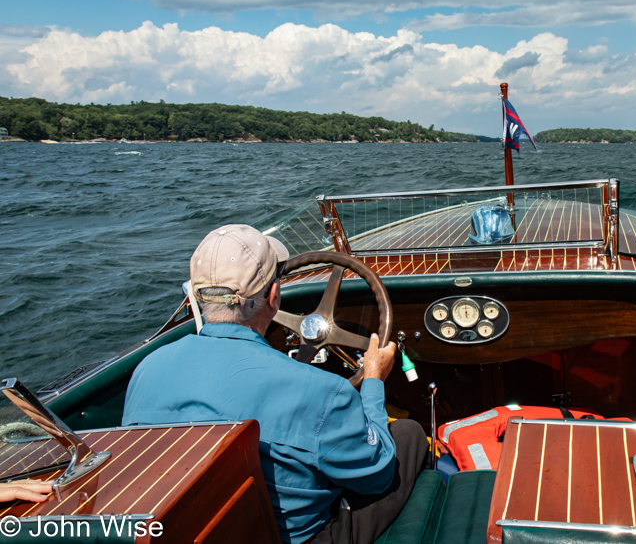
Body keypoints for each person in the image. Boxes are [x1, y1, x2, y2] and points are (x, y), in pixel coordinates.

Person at [122, 224, 427, 544]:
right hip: (302, 538)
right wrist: (374, 380)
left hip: (188, 532)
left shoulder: (147, 370)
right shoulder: (318, 391)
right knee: (407, 435)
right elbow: (377, 476)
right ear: (274, 296)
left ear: (197, 298)